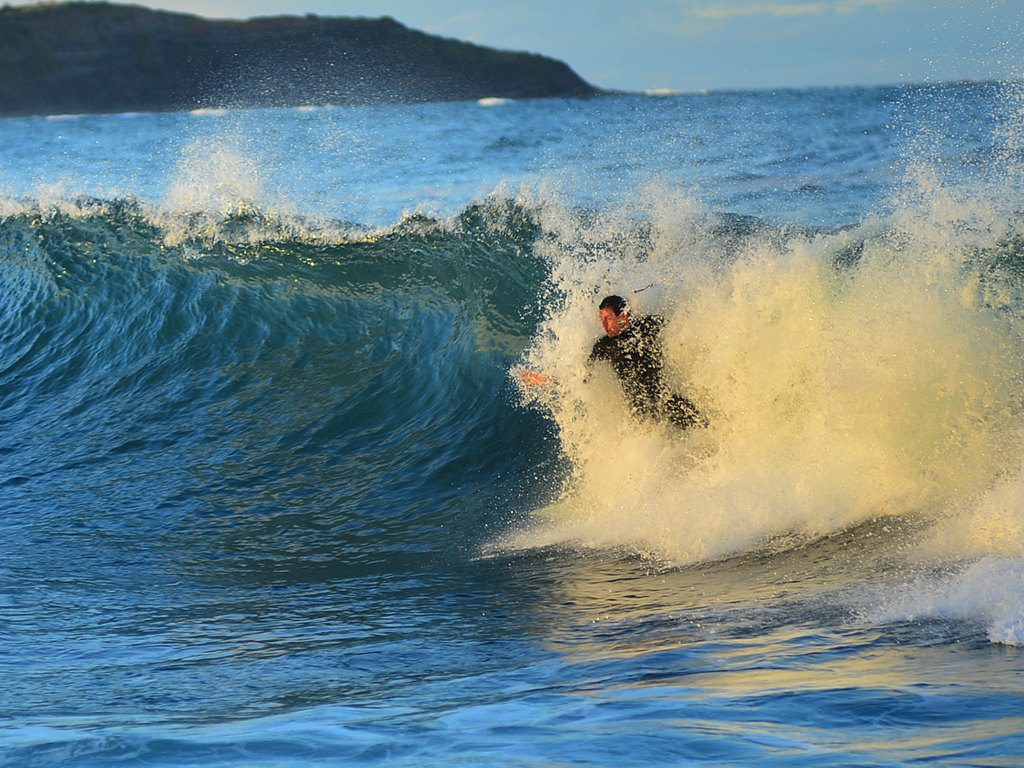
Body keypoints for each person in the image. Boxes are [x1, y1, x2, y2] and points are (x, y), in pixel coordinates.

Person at [521, 295, 707, 429]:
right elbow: (583, 379)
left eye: (608, 319)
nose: (604, 325)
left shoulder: (647, 326)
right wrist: (549, 380)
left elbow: (682, 331)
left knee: (702, 426)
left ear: (623, 315)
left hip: (665, 400)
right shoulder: (604, 346)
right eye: (602, 320)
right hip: (640, 415)